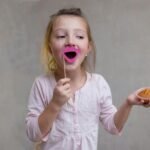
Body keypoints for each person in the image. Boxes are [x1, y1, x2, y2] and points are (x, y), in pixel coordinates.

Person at [25, 7, 150, 150]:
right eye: (60, 36)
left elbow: (113, 127)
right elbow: (33, 134)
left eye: (79, 36)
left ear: (88, 47)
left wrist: (129, 103)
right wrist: (55, 104)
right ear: (50, 48)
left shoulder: (98, 84)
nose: (70, 41)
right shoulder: (42, 85)